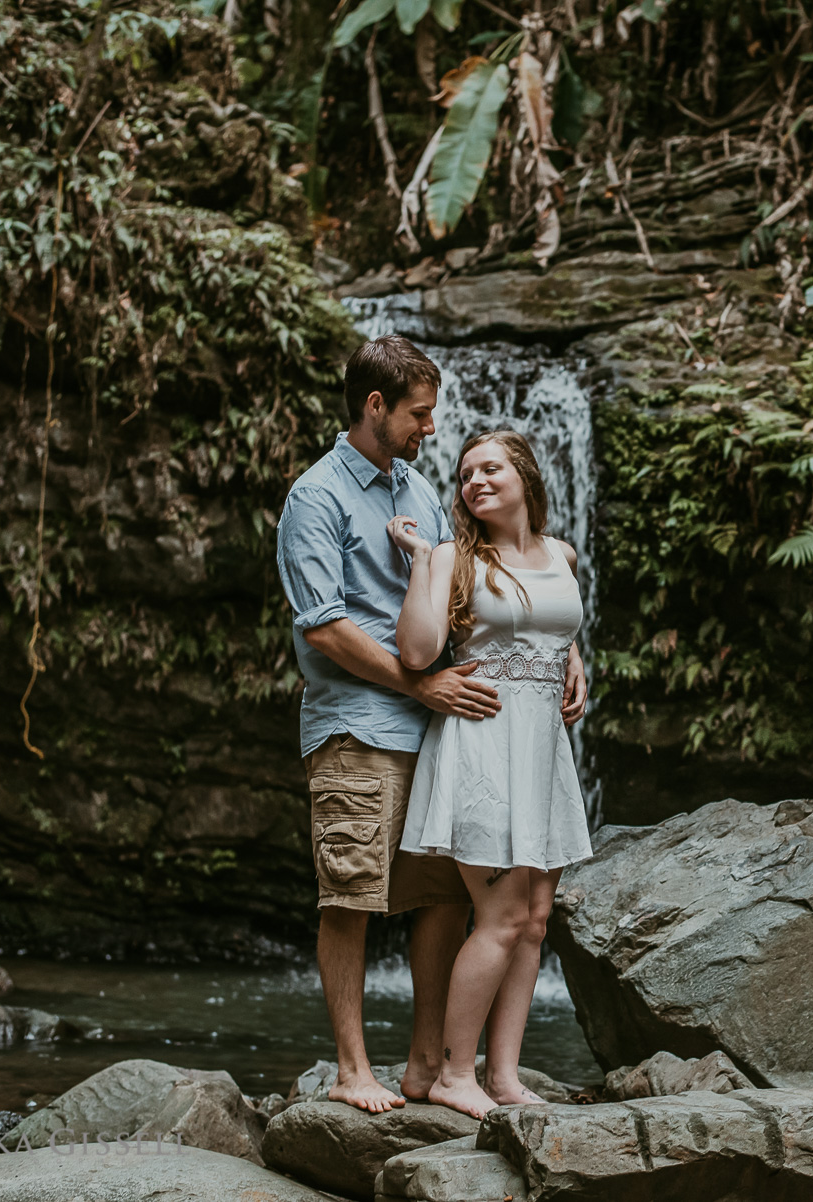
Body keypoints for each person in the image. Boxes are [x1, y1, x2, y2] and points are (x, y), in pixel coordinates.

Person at [275, 335, 504, 1114]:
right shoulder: (316, 497)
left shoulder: (418, 488)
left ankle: (422, 1066)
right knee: (349, 894)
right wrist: (423, 683)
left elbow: (455, 596)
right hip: (356, 728)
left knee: (445, 894)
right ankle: (351, 1071)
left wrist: (554, 651)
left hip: (429, 727)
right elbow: (325, 628)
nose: (429, 428)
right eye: (418, 414)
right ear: (375, 406)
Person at [385, 429, 592, 1119]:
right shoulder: (454, 555)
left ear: (525, 473)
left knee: (534, 920)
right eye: (467, 473)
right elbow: (416, 652)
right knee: (500, 917)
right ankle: (454, 1074)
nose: (475, 481)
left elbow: (554, 624)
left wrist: (571, 656)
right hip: (481, 745)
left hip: (542, 755)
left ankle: (504, 1077)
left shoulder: (560, 552)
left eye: (491, 468)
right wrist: (421, 561)